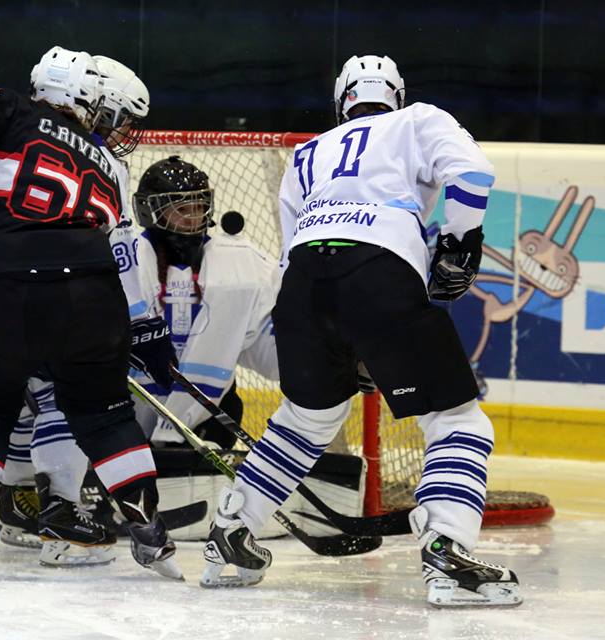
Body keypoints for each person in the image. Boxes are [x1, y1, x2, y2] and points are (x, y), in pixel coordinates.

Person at [200, 54, 522, 608]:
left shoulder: (307, 152)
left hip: (303, 287)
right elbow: (473, 174)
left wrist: (341, 341)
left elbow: (294, 250)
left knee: (307, 417)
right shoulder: (415, 120)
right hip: (378, 272)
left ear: (341, 100)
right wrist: (459, 244)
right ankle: (447, 547)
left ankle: (231, 532)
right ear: (395, 94)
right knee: (457, 419)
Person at [0, 46, 179, 579]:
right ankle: (150, 533)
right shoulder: (106, 160)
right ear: (83, 99)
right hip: (92, 297)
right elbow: (122, 253)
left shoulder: (11, 111)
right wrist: (144, 328)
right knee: (105, 415)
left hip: (4, 287)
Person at [127, 156, 281, 449]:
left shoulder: (241, 264)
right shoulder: (127, 261)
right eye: (182, 209)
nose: (193, 218)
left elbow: (270, 353)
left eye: (199, 206)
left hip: (209, 417)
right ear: (149, 210)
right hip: (129, 414)